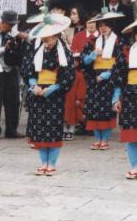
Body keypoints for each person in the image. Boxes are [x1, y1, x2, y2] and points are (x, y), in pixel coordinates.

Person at [25, 13, 75, 176]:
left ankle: (51, 163)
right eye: (44, 38)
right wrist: (33, 86)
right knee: (39, 129)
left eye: (49, 38)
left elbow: (68, 75)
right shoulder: (36, 49)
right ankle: (43, 162)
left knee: (52, 129)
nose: (46, 41)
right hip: (38, 93)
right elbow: (28, 70)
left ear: (55, 35)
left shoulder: (64, 52)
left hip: (55, 95)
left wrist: (54, 88)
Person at [82, 10, 127, 151]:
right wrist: (93, 55)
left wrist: (109, 74)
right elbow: (84, 62)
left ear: (111, 26)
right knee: (94, 110)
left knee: (107, 111)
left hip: (110, 79)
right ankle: (97, 139)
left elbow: (121, 63)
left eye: (106, 25)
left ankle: (105, 139)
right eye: (100, 25)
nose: (103, 28)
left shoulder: (119, 42)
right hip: (95, 79)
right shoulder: (92, 42)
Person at [0, 10, 23, 140]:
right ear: (2, 22)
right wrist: (4, 48)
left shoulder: (13, 34)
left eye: (13, 25)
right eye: (9, 25)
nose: (11, 27)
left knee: (13, 101)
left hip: (11, 70)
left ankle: (12, 130)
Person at [119, 19, 137, 179]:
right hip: (131, 93)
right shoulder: (128, 52)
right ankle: (134, 166)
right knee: (131, 132)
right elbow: (120, 76)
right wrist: (116, 97)